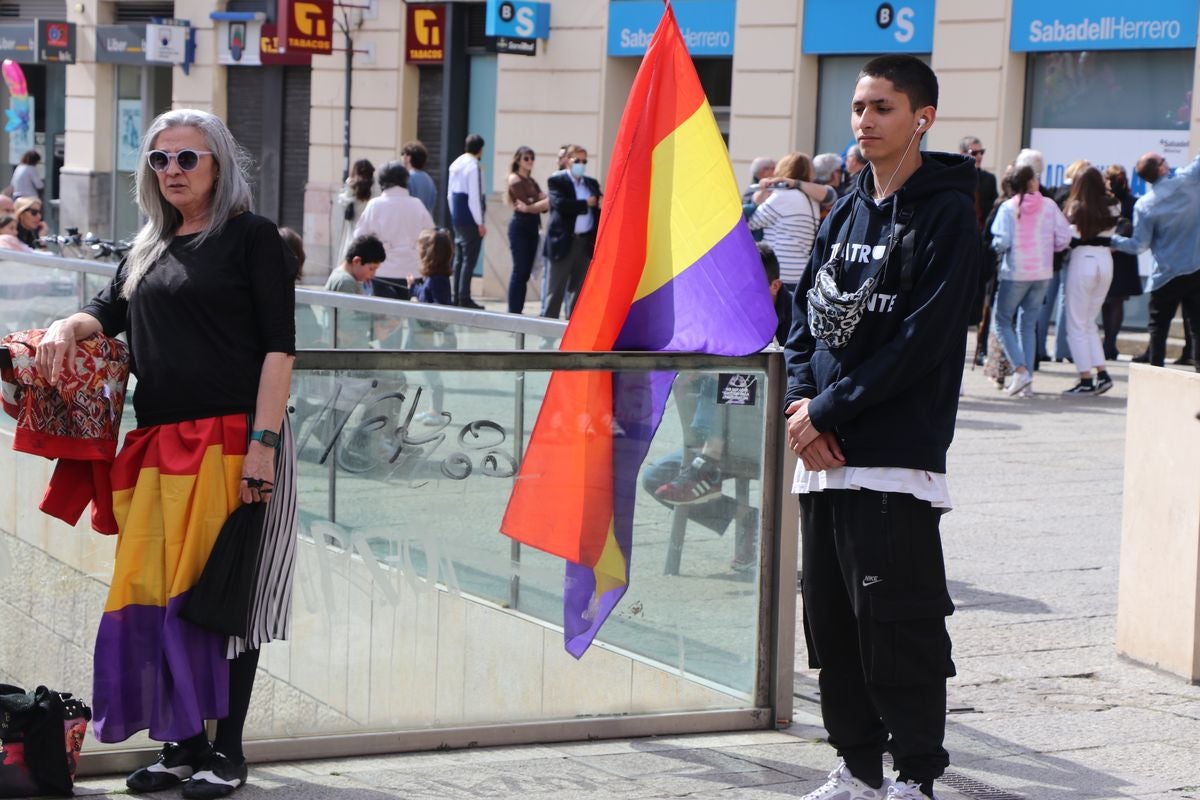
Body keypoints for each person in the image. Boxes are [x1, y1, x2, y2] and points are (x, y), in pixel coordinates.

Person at [33, 108, 297, 798]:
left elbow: (279, 346)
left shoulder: (251, 237)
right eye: (160, 159)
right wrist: (68, 323)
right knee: (154, 598)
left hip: (236, 441)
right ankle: (180, 745)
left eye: (188, 158)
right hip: (155, 448)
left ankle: (227, 752)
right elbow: (107, 311)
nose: (174, 170)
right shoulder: (149, 244)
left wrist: (263, 447)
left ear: (219, 166)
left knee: (223, 598)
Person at [786, 55, 977, 800]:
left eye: (883, 108)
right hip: (823, 458)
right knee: (833, 633)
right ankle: (858, 769)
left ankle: (914, 778)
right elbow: (804, 316)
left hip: (892, 460)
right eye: (860, 107)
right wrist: (805, 406)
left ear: (921, 117)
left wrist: (829, 411)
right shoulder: (844, 209)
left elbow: (922, 342)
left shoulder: (946, 215)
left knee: (898, 630)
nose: (864, 120)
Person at [1111, 152, 1200, 369]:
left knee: (1158, 331)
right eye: (1163, 160)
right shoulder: (1188, 179)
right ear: (1161, 169)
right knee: (1198, 329)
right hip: (1196, 268)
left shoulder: (1145, 204)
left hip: (1165, 275)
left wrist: (1112, 240)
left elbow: (1139, 246)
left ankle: (1155, 378)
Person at [990, 165, 1071, 396]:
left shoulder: (1008, 207)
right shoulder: (1049, 205)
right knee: (1027, 325)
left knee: (1002, 321)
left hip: (1015, 272)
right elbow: (1064, 236)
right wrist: (1049, 249)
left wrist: (997, 250)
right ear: (1031, 182)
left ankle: (1021, 370)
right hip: (1042, 272)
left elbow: (1002, 242)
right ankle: (1028, 383)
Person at [1061, 167, 1118, 394]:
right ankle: (1101, 373)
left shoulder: (1077, 206)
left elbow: (1069, 238)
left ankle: (1086, 378)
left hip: (1083, 258)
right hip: (1105, 260)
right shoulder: (1113, 203)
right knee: (1089, 322)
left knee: (1076, 323)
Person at [353, 160, 433, 301]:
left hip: (382, 271)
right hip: (412, 272)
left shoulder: (375, 205)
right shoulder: (417, 205)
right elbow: (431, 237)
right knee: (410, 318)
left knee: (384, 320)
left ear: (381, 181)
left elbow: (359, 237)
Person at [1038, 158, 1090, 365]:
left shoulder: (1054, 192)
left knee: (1045, 302)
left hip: (1051, 255)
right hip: (1070, 252)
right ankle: (1062, 349)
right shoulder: (1078, 197)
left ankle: (1040, 348)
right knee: (1064, 302)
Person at [748, 152, 822, 293]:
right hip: (799, 272)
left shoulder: (783, 197)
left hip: (778, 269)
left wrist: (757, 199)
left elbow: (751, 223)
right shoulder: (812, 200)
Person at [543, 145, 601, 319]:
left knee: (578, 293)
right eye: (577, 160)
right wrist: (585, 204)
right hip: (563, 243)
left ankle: (572, 332)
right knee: (555, 291)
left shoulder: (591, 184)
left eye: (584, 161)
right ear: (568, 160)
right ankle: (547, 335)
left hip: (584, 244)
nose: (581, 165)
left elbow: (599, 204)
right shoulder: (557, 181)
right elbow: (560, 204)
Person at [408, 228, 456, 424]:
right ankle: (433, 409)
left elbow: (437, 309)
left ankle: (437, 412)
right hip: (428, 337)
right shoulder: (435, 278)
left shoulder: (438, 281)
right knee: (429, 376)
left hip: (432, 338)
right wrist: (416, 287)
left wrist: (415, 292)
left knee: (433, 376)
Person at [1101, 165, 1143, 360]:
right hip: (1110, 257)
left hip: (1122, 257)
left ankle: (1109, 344)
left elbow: (1136, 229)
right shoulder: (1105, 201)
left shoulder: (1132, 203)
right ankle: (1109, 344)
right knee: (1108, 302)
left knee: (1115, 301)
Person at [447, 133, 487, 309]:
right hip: (471, 219)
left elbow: (449, 195)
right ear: (480, 149)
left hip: (458, 217)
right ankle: (464, 297)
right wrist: (480, 222)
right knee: (469, 260)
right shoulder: (473, 166)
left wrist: (454, 214)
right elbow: (475, 196)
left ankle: (457, 296)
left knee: (459, 259)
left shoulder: (456, 164)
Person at [507, 146, 548, 313]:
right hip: (520, 227)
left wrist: (534, 204)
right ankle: (513, 312)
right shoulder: (514, 179)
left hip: (532, 226)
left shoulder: (531, 181)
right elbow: (526, 202)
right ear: (518, 160)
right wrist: (536, 203)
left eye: (532, 158)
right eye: (526, 158)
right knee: (520, 270)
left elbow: (543, 206)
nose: (530, 161)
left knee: (526, 273)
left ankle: (518, 311)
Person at [335, 158, 375, 263]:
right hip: (370, 235)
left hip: (353, 233)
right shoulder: (376, 189)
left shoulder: (351, 188)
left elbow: (342, 203)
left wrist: (349, 187)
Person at [959, 136, 997, 229]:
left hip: (983, 231)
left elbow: (994, 207)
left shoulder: (989, 178)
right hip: (962, 229)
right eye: (974, 153)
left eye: (981, 152)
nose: (979, 156)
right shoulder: (956, 179)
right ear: (962, 154)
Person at [401, 141, 437, 214]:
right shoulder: (429, 179)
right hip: (426, 222)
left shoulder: (407, 178)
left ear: (408, 157)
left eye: (402, 154)